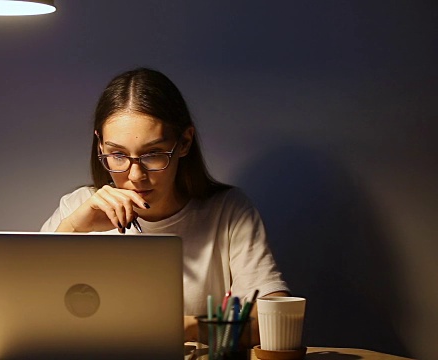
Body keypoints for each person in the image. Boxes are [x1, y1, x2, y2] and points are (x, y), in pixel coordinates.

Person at [41, 67, 290, 343]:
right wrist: (73, 228)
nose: (135, 175)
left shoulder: (228, 211)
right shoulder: (78, 207)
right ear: (100, 146)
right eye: (118, 155)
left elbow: (272, 320)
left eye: (153, 154)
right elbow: (25, 311)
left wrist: (183, 327)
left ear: (184, 142)